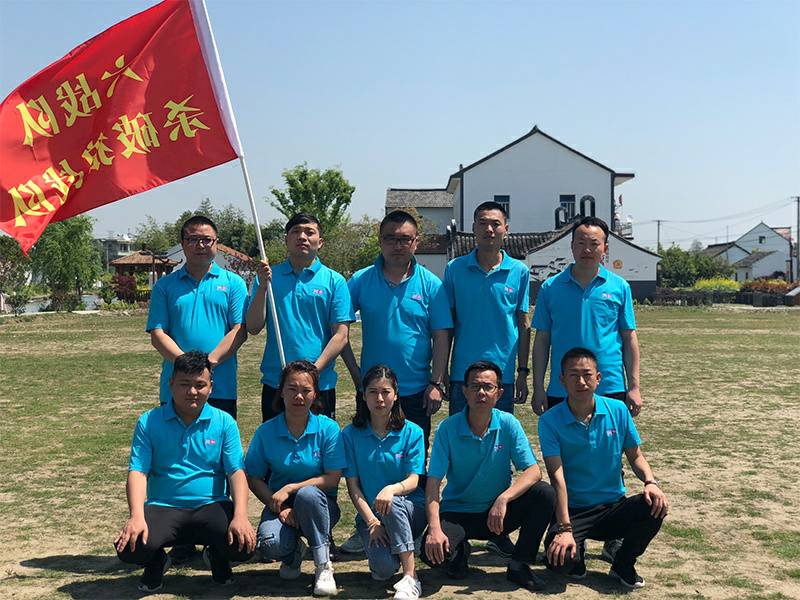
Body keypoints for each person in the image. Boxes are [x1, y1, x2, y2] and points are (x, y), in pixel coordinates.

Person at [339, 210, 451, 555]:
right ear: (380, 241)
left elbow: (441, 336)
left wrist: (437, 383)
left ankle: (412, 526)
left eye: (405, 239)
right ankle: (366, 525)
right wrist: (356, 374)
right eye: (391, 238)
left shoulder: (431, 285)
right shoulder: (360, 280)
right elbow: (339, 327)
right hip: (373, 391)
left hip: (416, 391)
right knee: (368, 460)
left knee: (413, 465)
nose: (398, 245)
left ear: (416, 242)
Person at [114, 351, 255, 593]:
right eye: (184, 384)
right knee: (130, 548)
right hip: (164, 506)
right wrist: (136, 516)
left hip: (212, 504)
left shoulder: (224, 422)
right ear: (171, 385)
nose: (192, 391)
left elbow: (236, 473)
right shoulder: (149, 421)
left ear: (211, 387)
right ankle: (157, 561)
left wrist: (240, 515)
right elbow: (138, 472)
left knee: (243, 545)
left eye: (200, 385)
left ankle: (217, 556)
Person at [442, 200, 531, 557]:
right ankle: (457, 521)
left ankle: (498, 527)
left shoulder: (519, 272)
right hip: (462, 378)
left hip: (503, 378)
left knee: (498, 453)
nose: (489, 229)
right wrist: (441, 374)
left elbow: (523, 326)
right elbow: (446, 326)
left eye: (495, 223)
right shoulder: (454, 269)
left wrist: (522, 372)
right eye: (482, 223)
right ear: (474, 228)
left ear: (506, 228)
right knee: (460, 450)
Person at [538, 347, 667, 589]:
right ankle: (575, 549)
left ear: (598, 378)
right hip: (574, 510)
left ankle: (623, 563)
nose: (581, 382)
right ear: (562, 380)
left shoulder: (618, 410)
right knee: (562, 562)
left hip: (612, 507)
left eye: (587, 374)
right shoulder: (549, 421)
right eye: (573, 375)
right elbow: (557, 477)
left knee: (654, 506)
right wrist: (564, 528)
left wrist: (650, 482)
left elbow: (636, 456)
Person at [422, 361, 555, 592]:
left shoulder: (508, 423)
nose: (481, 393)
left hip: (497, 514)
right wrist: (434, 528)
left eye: (488, 387)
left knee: (544, 493)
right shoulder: (448, 428)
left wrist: (503, 498)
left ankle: (519, 564)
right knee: (431, 553)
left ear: (499, 393)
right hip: (458, 512)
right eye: (475, 386)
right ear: (464, 391)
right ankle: (459, 553)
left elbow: (534, 471)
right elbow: (433, 484)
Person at [244, 360, 345, 597]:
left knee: (308, 495)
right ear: (281, 391)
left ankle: (323, 565)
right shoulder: (266, 431)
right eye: (292, 389)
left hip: (320, 505)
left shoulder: (328, 429)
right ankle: (293, 553)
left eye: (306, 390)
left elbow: (332, 479)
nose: (299, 396)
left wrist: (291, 488)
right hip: (281, 506)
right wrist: (278, 507)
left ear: (316, 394)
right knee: (270, 544)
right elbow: (254, 478)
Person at [531, 216, 642, 417]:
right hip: (562, 387)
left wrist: (634, 387)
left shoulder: (619, 287)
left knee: (608, 438)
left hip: (609, 385)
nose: (587, 250)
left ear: (605, 248)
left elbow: (629, 337)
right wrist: (538, 387)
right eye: (581, 243)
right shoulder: (550, 288)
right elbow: (542, 340)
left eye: (594, 244)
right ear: (572, 246)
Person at [246, 213, 353, 422]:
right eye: (295, 232)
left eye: (309, 232)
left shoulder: (334, 281)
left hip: (319, 384)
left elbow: (341, 336)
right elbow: (253, 326)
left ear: (320, 242)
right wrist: (262, 287)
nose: (302, 237)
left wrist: (312, 372)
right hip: (277, 383)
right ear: (286, 240)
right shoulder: (268, 278)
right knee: (276, 441)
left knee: (319, 441)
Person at [147, 214, 248, 420]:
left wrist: (208, 364)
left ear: (216, 243)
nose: (200, 245)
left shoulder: (234, 283)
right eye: (193, 239)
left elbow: (239, 330)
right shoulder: (165, 286)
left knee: (218, 438)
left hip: (221, 387)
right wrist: (185, 366)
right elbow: (158, 334)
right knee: (174, 439)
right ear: (183, 244)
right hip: (177, 386)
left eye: (206, 240)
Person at [342, 365, 427, 600]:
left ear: (396, 395)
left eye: (386, 392)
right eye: (373, 392)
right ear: (363, 395)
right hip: (372, 516)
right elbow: (353, 487)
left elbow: (414, 480)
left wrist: (391, 489)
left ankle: (411, 577)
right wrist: (372, 522)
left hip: (411, 510)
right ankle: (399, 549)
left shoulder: (413, 432)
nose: (379, 399)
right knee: (383, 570)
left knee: (393, 502)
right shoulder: (349, 435)